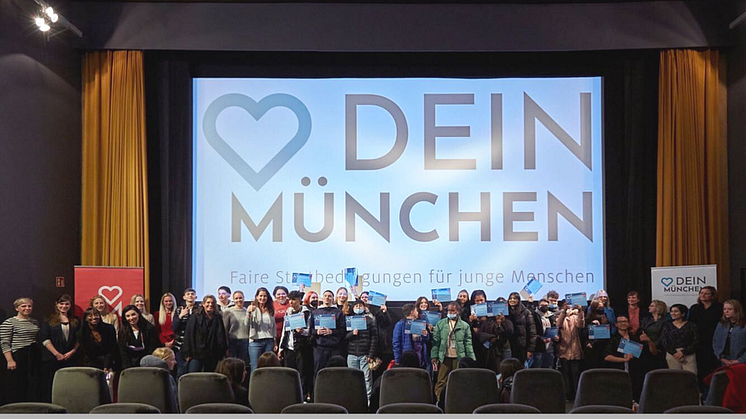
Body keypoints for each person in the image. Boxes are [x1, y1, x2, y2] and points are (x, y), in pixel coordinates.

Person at [604, 314, 655, 404]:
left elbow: (653, 353)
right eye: (620, 322)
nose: (623, 323)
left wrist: (649, 341)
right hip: (618, 372)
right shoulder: (613, 339)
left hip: (635, 373)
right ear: (616, 324)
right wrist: (624, 359)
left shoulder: (635, 338)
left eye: (625, 321)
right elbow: (607, 357)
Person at [431, 301, 475, 404]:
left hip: (458, 357)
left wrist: (472, 359)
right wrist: (434, 355)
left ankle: (458, 401)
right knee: (441, 380)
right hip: (444, 356)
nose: (450, 312)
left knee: (458, 380)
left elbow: (468, 343)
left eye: (452, 310)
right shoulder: (440, 324)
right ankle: (440, 401)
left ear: (458, 312)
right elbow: (435, 341)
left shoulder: (465, 326)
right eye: (449, 310)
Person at [39, 294, 80, 402]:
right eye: (61, 303)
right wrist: (57, 354)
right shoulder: (49, 319)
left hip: (70, 358)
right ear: (57, 305)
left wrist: (72, 351)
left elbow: (79, 339)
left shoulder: (75, 320)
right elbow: (44, 338)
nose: (64, 306)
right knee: (51, 384)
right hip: (52, 359)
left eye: (67, 304)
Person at [1, 297, 40, 403]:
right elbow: (5, 343)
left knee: (31, 383)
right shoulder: (9, 322)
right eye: (24, 306)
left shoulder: (34, 322)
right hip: (18, 354)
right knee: (17, 384)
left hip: (32, 354)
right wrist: (10, 360)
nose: (27, 308)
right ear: (17, 308)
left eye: (29, 306)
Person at [279, 290, 313, 401]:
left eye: (293, 300)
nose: (291, 302)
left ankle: (302, 397)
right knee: (289, 372)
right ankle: (290, 396)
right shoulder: (288, 311)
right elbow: (285, 329)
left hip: (301, 347)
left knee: (302, 373)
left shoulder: (306, 312)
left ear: (299, 300)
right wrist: (281, 347)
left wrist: (302, 331)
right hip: (289, 347)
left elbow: (309, 331)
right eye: (290, 300)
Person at [182, 294, 227, 372]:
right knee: (193, 375)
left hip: (212, 354)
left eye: (212, 303)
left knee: (210, 377)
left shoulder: (217, 317)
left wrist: (222, 352)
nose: (210, 305)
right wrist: (187, 352)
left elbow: (221, 336)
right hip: (196, 353)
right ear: (203, 304)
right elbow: (189, 334)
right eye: (208, 302)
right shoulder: (195, 316)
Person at [688, 286, 723, 386]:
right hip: (698, 340)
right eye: (701, 293)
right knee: (699, 366)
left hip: (714, 339)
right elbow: (690, 324)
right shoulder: (695, 308)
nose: (703, 295)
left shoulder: (719, 308)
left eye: (706, 293)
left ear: (713, 296)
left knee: (712, 365)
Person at [346, 300, 378, 399]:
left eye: (360, 306)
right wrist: (352, 333)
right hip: (352, 354)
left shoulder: (369, 320)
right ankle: (354, 399)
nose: (358, 307)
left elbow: (374, 338)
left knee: (367, 379)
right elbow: (344, 337)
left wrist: (371, 354)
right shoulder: (349, 320)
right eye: (356, 306)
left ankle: (368, 401)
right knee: (353, 378)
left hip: (365, 354)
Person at [309, 290, 345, 378]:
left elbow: (342, 330)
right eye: (325, 296)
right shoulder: (315, 312)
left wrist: (331, 332)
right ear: (322, 298)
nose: (327, 298)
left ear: (333, 298)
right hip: (319, 347)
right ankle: (317, 391)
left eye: (329, 296)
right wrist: (317, 332)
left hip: (334, 347)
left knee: (335, 373)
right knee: (318, 372)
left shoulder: (338, 312)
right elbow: (310, 330)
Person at [556, 301, 584, 402]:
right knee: (566, 374)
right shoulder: (560, 314)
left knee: (576, 373)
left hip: (575, 348)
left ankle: (577, 395)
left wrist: (580, 311)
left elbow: (581, 325)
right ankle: (568, 395)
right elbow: (557, 324)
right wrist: (563, 312)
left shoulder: (576, 315)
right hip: (564, 348)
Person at [77, 307, 120, 372]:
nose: (94, 317)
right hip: (91, 364)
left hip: (109, 363)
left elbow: (111, 349)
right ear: (85, 318)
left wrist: (106, 366)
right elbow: (87, 353)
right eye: (90, 316)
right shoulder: (81, 333)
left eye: (96, 315)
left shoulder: (109, 329)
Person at [658, 304, 698, 373]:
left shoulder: (691, 325)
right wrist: (674, 353)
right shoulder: (667, 325)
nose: (673, 313)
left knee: (691, 377)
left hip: (688, 354)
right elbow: (664, 341)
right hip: (672, 354)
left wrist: (683, 352)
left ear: (683, 313)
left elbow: (696, 341)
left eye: (676, 311)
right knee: (675, 378)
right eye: (671, 311)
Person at [119, 304, 161, 369]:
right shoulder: (122, 331)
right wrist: (128, 368)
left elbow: (152, 347)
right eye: (128, 316)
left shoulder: (149, 328)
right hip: (130, 364)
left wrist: (146, 363)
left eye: (133, 314)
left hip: (146, 362)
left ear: (138, 314)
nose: (131, 318)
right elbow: (123, 351)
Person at [246, 287, 276, 373]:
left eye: (265, 296)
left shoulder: (271, 309)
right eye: (261, 296)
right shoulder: (252, 308)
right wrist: (248, 313)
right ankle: (254, 386)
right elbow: (246, 324)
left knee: (268, 367)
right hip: (255, 342)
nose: (263, 298)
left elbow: (273, 327)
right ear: (256, 297)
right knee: (255, 367)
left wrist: (275, 342)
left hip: (269, 341)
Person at [172, 288, 199, 377]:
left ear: (196, 297)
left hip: (195, 347)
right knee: (181, 371)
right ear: (184, 297)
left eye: (192, 294)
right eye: (188, 294)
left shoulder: (200, 310)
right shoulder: (179, 309)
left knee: (193, 372)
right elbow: (174, 328)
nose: (190, 295)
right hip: (180, 345)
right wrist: (180, 316)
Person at [479, 308, 513, 374]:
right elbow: (481, 334)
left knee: (507, 370)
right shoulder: (489, 322)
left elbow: (510, 332)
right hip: (493, 350)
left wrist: (503, 321)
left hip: (505, 348)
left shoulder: (507, 321)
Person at [713, 299, 746, 366]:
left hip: (741, 361)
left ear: (737, 310)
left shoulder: (743, 325)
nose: (726, 311)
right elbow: (716, 341)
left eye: (730, 309)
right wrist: (721, 357)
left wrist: (740, 360)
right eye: (724, 309)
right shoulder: (721, 324)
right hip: (724, 360)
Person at [507, 292, 537, 363]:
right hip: (508, 346)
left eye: (515, 298)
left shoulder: (526, 312)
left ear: (519, 300)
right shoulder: (505, 312)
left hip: (522, 347)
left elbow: (532, 332)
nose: (512, 300)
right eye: (510, 298)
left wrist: (530, 349)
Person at [583, 299, 612, 370]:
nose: (601, 309)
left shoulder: (606, 319)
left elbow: (607, 333)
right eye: (599, 307)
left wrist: (602, 325)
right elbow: (584, 333)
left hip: (603, 346)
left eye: (602, 307)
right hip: (591, 347)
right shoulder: (588, 319)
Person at [640, 300, 668, 370]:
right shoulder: (646, 319)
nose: (649, 307)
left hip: (658, 349)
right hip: (644, 349)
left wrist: (654, 345)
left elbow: (663, 336)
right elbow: (641, 330)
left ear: (658, 308)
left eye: (652, 306)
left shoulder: (665, 321)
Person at [223, 290, 249, 364]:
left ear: (244, 298)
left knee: (242, 363)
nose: (239, 300)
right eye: (236, 298)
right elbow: (225, 329)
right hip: (232, 341)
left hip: (245, 341)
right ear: (233, 300)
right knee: (231, 364)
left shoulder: (247, 311)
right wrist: (226, 345)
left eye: (240, 298)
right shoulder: (228, 311)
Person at [532, 298, 557, 369]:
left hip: (550, 346)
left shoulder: (551, 316)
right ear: (539, 306)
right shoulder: (534, 315)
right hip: (539, 346)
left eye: (546, 305)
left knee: (549, 367)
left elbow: (554, 328)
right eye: (542, 305)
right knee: (538, 367)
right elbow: (533, 332)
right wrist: (541, 339)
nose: (545, 307)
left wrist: (556, 336)